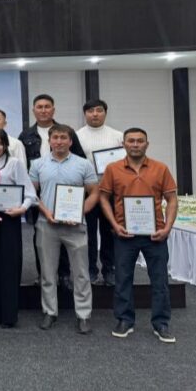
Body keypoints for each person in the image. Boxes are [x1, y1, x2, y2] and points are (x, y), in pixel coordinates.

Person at [99, 128, 178, 343]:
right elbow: (103, 198)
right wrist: (114, 225)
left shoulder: (160, 168)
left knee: (160, 280)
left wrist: (167, 228)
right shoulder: (113, 169)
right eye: (131, 141)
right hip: (124, 234)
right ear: (123, 144)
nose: (135, 144)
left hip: (156, 234)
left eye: (140, 141)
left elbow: (172, 199)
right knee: (123, 278)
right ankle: (125, 319)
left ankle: (161, 323)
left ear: (147, 144)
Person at [29, 124, 100, 335]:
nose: (59, 141)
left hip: (76, 226)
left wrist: (79, 213)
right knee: (48, 272)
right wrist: (46, 212)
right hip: (46, 225)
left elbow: (94, 193)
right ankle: (49, 312)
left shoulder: (84, 164)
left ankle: (84, 315)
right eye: (55, 137)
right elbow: (32, 194)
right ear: (49, 141)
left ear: (70, 141)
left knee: (81, 273)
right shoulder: (37, 164)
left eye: (63, 138)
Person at [19, 95, 85, 288]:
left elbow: (79, 157)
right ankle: (44, 274)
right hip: (38, 189)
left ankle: (64, 274)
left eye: (47, 106)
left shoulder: (66, 131)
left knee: (65, 232)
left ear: (53, 110)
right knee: (40, 234)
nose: (43, 110)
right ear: (34, 110)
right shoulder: (25, 135)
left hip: (65, 190)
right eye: (39, 107)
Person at [0, 129, 37, 328]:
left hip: (9, 219)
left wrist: (22, 209)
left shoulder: (14, 164)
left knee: (9, 266)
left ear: (5, 145)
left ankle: (9, 315)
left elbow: (30, 194)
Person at [77, 99, 123, 286]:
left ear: (105, 112)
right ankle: (90, 269)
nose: (95, 114)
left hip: (111, 191)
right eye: (90, 111)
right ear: (85, 114)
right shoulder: (77, 136)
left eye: (99, 110)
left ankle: (109, 269)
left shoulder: (118, 136)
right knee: (87, 233)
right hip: (86, 191)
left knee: (109, 231)